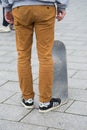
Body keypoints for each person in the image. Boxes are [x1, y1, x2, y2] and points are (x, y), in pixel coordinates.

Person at [1, 0, 68, 113]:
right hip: (45, 7)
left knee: (23, 55)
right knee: (45, 56)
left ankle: (27, 99)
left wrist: (7, 7)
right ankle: (45, 102)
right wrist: (62, 5)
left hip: (20, 8)